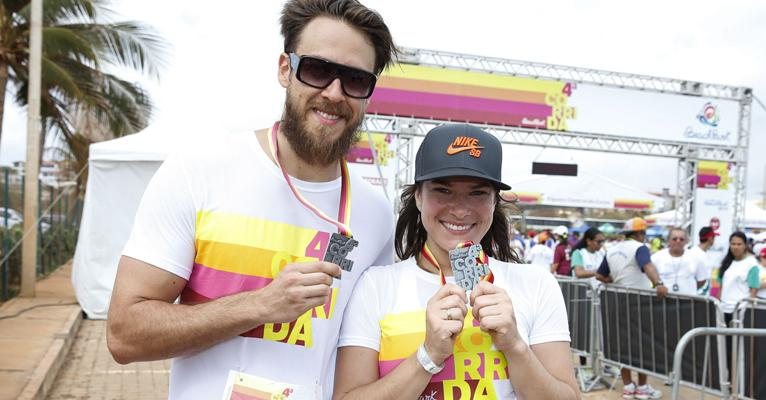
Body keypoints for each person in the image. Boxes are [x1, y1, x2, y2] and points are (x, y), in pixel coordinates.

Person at [105, 1, 398, 398]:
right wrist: (261, 305)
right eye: (317, 70)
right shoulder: (201, 170)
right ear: (284, 69)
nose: (334, 93)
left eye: (355, 80)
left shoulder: (376, 215)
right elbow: (124, 334)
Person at [333, 124, 578, 399]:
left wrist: (515, 346)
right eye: (443, 191)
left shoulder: (535, 283)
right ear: (418, 196)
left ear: (495, 202)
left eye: (477, 193)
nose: (461, 210)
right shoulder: (375, 286)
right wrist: (428, 356)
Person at [595, 217, 666, 400]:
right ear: (640, 233)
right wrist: (658, 283)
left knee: (623, 344)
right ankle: (642, 387)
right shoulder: (639, 248)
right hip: (639, 302)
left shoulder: (612, 250)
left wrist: (614, 281)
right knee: (643, 344)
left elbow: (600, 275)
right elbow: (647, 265)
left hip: (618, 301)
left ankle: (628, 386)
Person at [650, 228, 707, 296]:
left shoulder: (696, 258)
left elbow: (701, 280)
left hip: (689, 301)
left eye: (681, 239)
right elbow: (650, 277)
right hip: (663, 301)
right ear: (668, 241)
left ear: (686, 241)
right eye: (674, 239)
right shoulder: (656, 257)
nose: (678, 241)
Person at [718, 231, 758, 324]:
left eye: (739, 244)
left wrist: (747, 310)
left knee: (737, 338)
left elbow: (754, 290)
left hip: (740, 311)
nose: (736, 247)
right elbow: (720, 287)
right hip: (723, 309)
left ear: (745, 245)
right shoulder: (726, 262)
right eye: (733, 244)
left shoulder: (751, 263)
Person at [687, 226, 718, 295]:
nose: (714, 240)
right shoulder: (696, 254)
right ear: (710, 238)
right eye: (713, 238)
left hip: (702, 294)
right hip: (697, 295)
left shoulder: (698, 252)